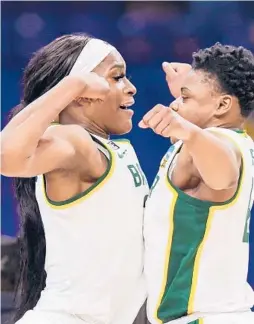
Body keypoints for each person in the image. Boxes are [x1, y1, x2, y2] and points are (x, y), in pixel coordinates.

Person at [0, 33, 149, 324]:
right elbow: (6, 158)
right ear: (82, 94)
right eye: (117, 77)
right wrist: (71, 85)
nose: (131, 88)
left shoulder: (112, 150)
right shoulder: (74, 141)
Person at [142, 43, 254, 324]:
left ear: (222, 105)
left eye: (185, 97)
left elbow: (222, 175)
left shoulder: (216, 144)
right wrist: (189, 94)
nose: (175, 104)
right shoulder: (238, 140)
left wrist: (186, 130)